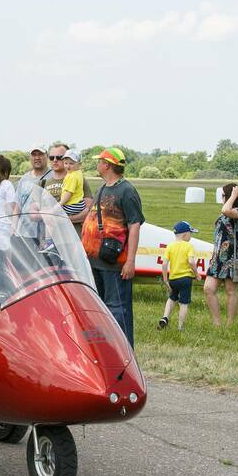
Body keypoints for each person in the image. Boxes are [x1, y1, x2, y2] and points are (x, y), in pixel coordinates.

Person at [81, 148, 143, 346]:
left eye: (99, 161)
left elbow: (134, 226)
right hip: (95, 260)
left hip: (114, 263)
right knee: (100, 309)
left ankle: (124, 352)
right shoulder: (102, 188)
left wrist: (130, 261)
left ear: (107, 165)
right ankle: (106, 350)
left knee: (118, 310)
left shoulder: (127, 191)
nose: (97, 164)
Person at [202, 183, 238, 327]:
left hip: (232, 257)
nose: (222, 198)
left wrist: (234, 196)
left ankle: (230, 324)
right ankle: (217, 323)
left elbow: (225, 210)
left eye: (223, 195)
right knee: (208, 289)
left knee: (230, 290)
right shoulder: (228, 210)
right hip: (218, 259)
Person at [159, 221, 200, 331]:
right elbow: (191, 262)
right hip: (185, 279)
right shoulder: (189, 246)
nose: (191, 236)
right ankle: (180, 327)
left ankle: (165, 317)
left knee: (172, 298)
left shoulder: (170, 246)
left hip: (173, 279)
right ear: (185, 234)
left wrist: (165, 280)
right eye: (190, 234)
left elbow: (164, 264)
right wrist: (197, 274)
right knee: (184, 303)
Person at [59, 149, 86, 216]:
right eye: (66, 163)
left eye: (71, 163)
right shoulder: (78, 173)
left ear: (79, 164)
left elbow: (69, 193)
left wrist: (59, 205)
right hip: (79, 203)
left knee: (53, 213)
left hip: (72, 206)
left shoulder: (72, 176)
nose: (68, 166)